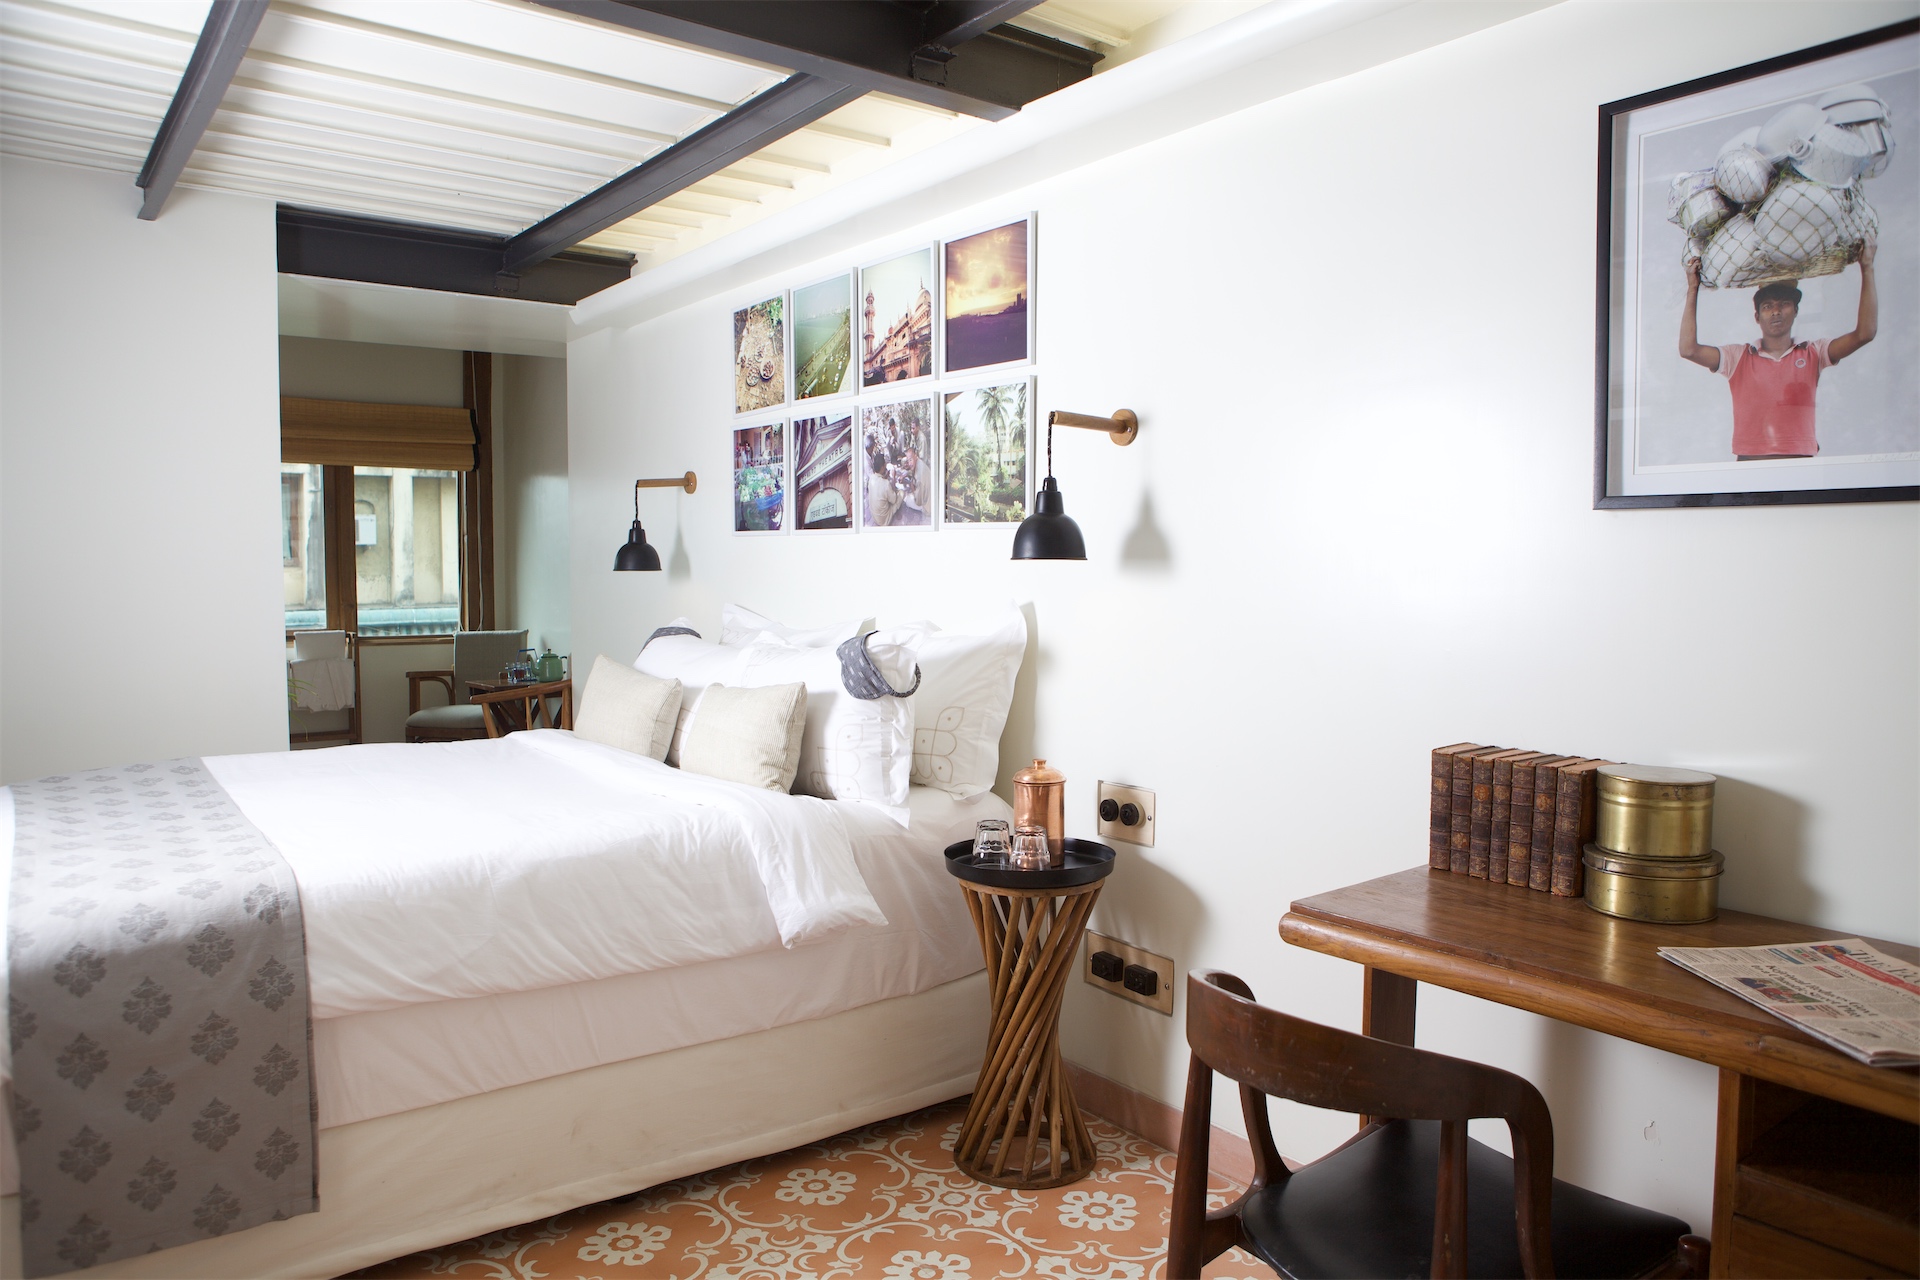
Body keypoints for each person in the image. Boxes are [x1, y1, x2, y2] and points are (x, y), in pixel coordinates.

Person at [1679, 239, 1877, 459]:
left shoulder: (1813, 353)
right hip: (1751, 463)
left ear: (1795, 311)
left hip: (1799, 461)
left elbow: (1864, 334)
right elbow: (1689, 350)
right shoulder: (1738, 357)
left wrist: (1867, 267)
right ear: (1757, 317)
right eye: (1767, 306)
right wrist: (1693, 287)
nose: (1776, 311)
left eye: (1784, 304)